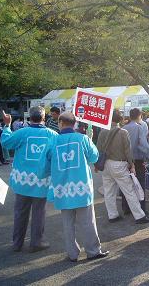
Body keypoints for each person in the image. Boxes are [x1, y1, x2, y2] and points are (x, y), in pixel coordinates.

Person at [39, 112, 108, 262]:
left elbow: (45, 165)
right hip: (81, 188)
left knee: (67, 223)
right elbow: (94, 157)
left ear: (61, 123)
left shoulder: (53, 142)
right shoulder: (82, 139)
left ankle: (72, 254)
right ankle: (93, 251)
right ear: (74, 123)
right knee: (88, 221)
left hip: (61, 189)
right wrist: (89, 139)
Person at [1, 106, 58, 252]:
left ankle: (17, 243)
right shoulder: (52, 134)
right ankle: (36, 242)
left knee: (20, 212)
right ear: (44, 118)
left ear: (29, 118)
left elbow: (6, 142)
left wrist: (7, 125)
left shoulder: (22, 132)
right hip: (42, 180)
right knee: (39, 212)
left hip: (22, 181)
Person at [97, 110, 149, 224]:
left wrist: (97, 164)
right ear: (121, 120)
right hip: (119, 164)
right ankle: (139, 216)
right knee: (129, 190)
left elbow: (99, 149)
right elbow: (128, 151)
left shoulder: (102, 132)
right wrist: (132, 165)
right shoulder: (123, 132)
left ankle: (112, 215)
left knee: (109, 192)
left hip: (106, 164)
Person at [122, 108, 149, 213]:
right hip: (138, 161)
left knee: (127, 185)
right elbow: (143, 145)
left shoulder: (124, 128)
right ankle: (141, 208)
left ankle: (126, 208)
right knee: (140, 185)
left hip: (126, 161)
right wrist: (148, 156)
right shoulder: (139, 128)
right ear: (139, 116)